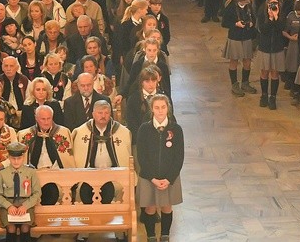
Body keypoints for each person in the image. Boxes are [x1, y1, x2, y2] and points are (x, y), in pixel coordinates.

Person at [71, 99, 132, 242]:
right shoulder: (80, 132)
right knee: (83, 192)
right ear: (93, 114)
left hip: (114, 175)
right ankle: (83, 231)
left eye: (106, 112)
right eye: (100, 112)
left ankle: (118, 230)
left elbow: (128, 156)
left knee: (119, 192)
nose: (103, 116)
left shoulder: (122, 132)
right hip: (88, 175)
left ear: (111, 113)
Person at [137, 94, 184, 242]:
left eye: (163, 107)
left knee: (166, 206)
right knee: (150, 207)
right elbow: (142, 157)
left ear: (167, 108)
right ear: (152, 109)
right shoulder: (144, 129)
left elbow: (179, 157)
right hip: (149, 177)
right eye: (157, 107)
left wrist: (169, 179)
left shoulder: (175, 129)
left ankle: (165, 235)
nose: (160, 111)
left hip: (168, 176)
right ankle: (151, 236)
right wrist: (153, 178)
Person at [17, 105, 75, 205]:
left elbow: (68, 160)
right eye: (43, 119)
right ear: (36, 118)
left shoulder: (64, 132)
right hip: (34, 176)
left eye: (49, 118)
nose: (46, 122)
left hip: (57, 175)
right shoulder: (24, 135)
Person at [0, 142, 40, 242]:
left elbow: (37, 192)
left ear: (23, 157)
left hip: (26, 203)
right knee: (11, 228)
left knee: (25, 228)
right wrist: (8, 206)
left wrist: (26, 206)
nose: (16, 161)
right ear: (9, 158)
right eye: (13, 158)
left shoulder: (31, 172)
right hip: (8, 203)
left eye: (19, 158)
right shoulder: (2, 173)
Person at [221, 0, 257, 96]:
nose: (246, 4)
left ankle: (245, 82)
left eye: (247, 2)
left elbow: (254, 18)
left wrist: (251, 23)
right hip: (235, 37)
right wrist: (235, 24)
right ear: (239, 0)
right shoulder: (231, 7)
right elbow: (224, 23)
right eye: (244, 2)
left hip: (246, 36)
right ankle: (234, 84)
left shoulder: (249, 7)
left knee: (247, 60)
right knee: (234, 60)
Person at [257, 0, 286, 110]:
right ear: (267, 3)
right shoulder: (261, 12)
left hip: (277, 47)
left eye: (275, 3)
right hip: (265, 46)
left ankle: (273, 97)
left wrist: (276, 17)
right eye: (271, 3)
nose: (273, 5)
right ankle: (264, 95)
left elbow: (282, 28)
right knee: (264, 72)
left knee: (275, 73)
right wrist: (269, 18)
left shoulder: (282, 12)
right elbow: (263, 30)